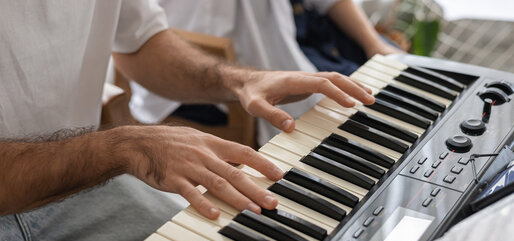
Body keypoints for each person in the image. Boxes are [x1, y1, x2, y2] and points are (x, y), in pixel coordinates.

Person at [0, 0, 374, 241]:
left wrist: (239, 81)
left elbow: (141, 42)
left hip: (74, 183)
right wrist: (125, 146)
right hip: (67, 169)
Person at [129, 0, 403, 145]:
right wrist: (246, 80)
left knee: (389, 85)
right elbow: (137, 41)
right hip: (227, 66)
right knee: (362, 115)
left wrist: (375, 44)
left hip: (296, 34)